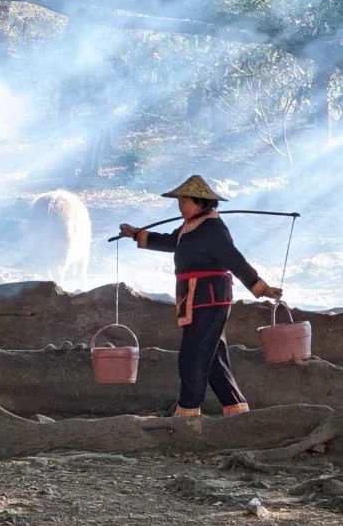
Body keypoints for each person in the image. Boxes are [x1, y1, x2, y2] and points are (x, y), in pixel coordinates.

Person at [118, 174, 282, 419]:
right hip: (195, 299)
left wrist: (260, 287)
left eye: (183, 202)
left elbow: (235, 260)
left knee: (191, 355)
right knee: (213, 357)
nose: (180, 207)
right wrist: (136, 234)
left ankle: (187, 413)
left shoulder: (213, 228)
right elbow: (173, 241)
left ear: (200, 202)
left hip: (210, 299)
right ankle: (237, 411)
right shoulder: (191, 226)